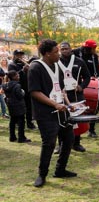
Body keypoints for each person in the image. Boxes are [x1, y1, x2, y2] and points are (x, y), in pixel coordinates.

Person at [29, 39, 77, 188]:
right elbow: (35, 92)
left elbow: (61, 89)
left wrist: (68, 104)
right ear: (47, 53)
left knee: (68, 140)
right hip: (46, 113)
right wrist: (55, 104)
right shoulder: (35, 68)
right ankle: (42, 175)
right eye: (56, 52)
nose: (59, 54)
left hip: (61, 111)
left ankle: (60, 170)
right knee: (49, 144)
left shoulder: (57, 67)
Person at [57, 42, 91, 152]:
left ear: (71, 49)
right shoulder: (56, 62)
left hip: (76, 94)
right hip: (61, 95)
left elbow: (87, 77)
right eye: (62, 49)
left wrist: (81, 86)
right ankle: (61, 144)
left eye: (66, 48)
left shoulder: (79, 61)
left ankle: (76, 143)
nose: (64, 51)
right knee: (62, 119)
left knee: (77, 119)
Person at [73, 39, 99, 137]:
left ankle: (91, 130)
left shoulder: (94, 57)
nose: (95, 50)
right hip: (77, 85)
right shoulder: (75, 53)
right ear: (88, 48)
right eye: (93, 48)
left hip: (90, 83)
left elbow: (97, 71)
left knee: (93, 106)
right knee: (77, 108)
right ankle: (76, 131)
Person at [8, 49, 36, 129]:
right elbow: (12, 76)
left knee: (29, 107)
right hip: (17, 89)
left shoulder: (24, 63)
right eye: (18, 55)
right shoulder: (12, 65)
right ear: (14, 55)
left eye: (21, 55)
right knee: (19, 107)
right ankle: (19, 123)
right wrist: (22, 70)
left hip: (27, 88)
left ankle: (30, 123)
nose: (20, 56)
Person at [3, 70, 31, 143]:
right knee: (21, 122)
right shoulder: (17, 85)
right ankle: (21, 138)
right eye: (17, 75)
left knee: (12, 121)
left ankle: (12, 137)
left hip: (10, 104)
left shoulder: (5, 85)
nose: (18, 77)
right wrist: (23, 92)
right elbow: (20, 96)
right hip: (18, 105)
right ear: (13, 77)